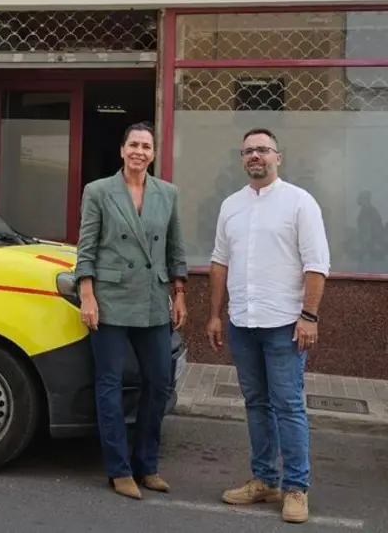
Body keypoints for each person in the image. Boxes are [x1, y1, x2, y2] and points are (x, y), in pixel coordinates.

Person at [205, 128, 330, 524]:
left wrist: (308, 315)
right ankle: (264, 480)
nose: (255, 156)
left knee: (289, 405)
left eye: (263, 150)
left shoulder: (299, 203)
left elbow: (317, 264)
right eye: (248, 151)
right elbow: (219, 262)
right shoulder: (231, 206)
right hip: (243, 322)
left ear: (279, 156)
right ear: (242, 159)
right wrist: (214, 313)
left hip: (284, 325)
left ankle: (296, 488)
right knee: (256, 404)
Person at [75, 121, 188, 500]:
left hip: (153, 300)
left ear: (153, 154)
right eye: (134, 145)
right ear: (122, 150)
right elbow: (86, 247)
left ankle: (147, 465)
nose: (140, 151)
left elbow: (175, 248)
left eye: (146, 146)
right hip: (109, 297)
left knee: (159, 382)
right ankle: (119, 469)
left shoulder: (167, 194)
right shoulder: (98, 191)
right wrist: (87, 295)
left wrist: (180, 292)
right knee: (108, 384)